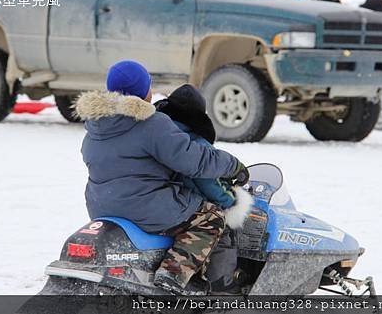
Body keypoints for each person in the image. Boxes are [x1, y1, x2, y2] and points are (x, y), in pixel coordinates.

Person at [74, 60, 249, 294]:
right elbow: (194, 161)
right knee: (211, 217)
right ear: (143, 91)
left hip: (101, 207)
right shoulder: (151, 123)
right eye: (148, 86)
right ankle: (174, 275)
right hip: (144, 207)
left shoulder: (94, 128)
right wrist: (233, 166)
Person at [154, 84, 253, 294]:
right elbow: (208, 182)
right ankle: (221, 283)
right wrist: (231, 201)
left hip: (160, 199)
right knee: (221, 227)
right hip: (186, 202)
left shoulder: (159, 135)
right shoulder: (196, 143)